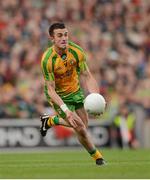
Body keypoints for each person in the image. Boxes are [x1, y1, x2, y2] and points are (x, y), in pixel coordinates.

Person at [40, 22, 106, 166]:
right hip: (58, 95)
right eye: (59, 35)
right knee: (80, 127)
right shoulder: (47, 60)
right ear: (52, 38)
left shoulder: (77, 52)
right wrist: (65, 110)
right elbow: (50, 89)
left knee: (83, 129)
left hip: (75, 91)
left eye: (65, 34)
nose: (64, 38)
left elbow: (87, 75)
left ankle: (51, 121)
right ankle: (99, 159)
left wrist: (97, 99)